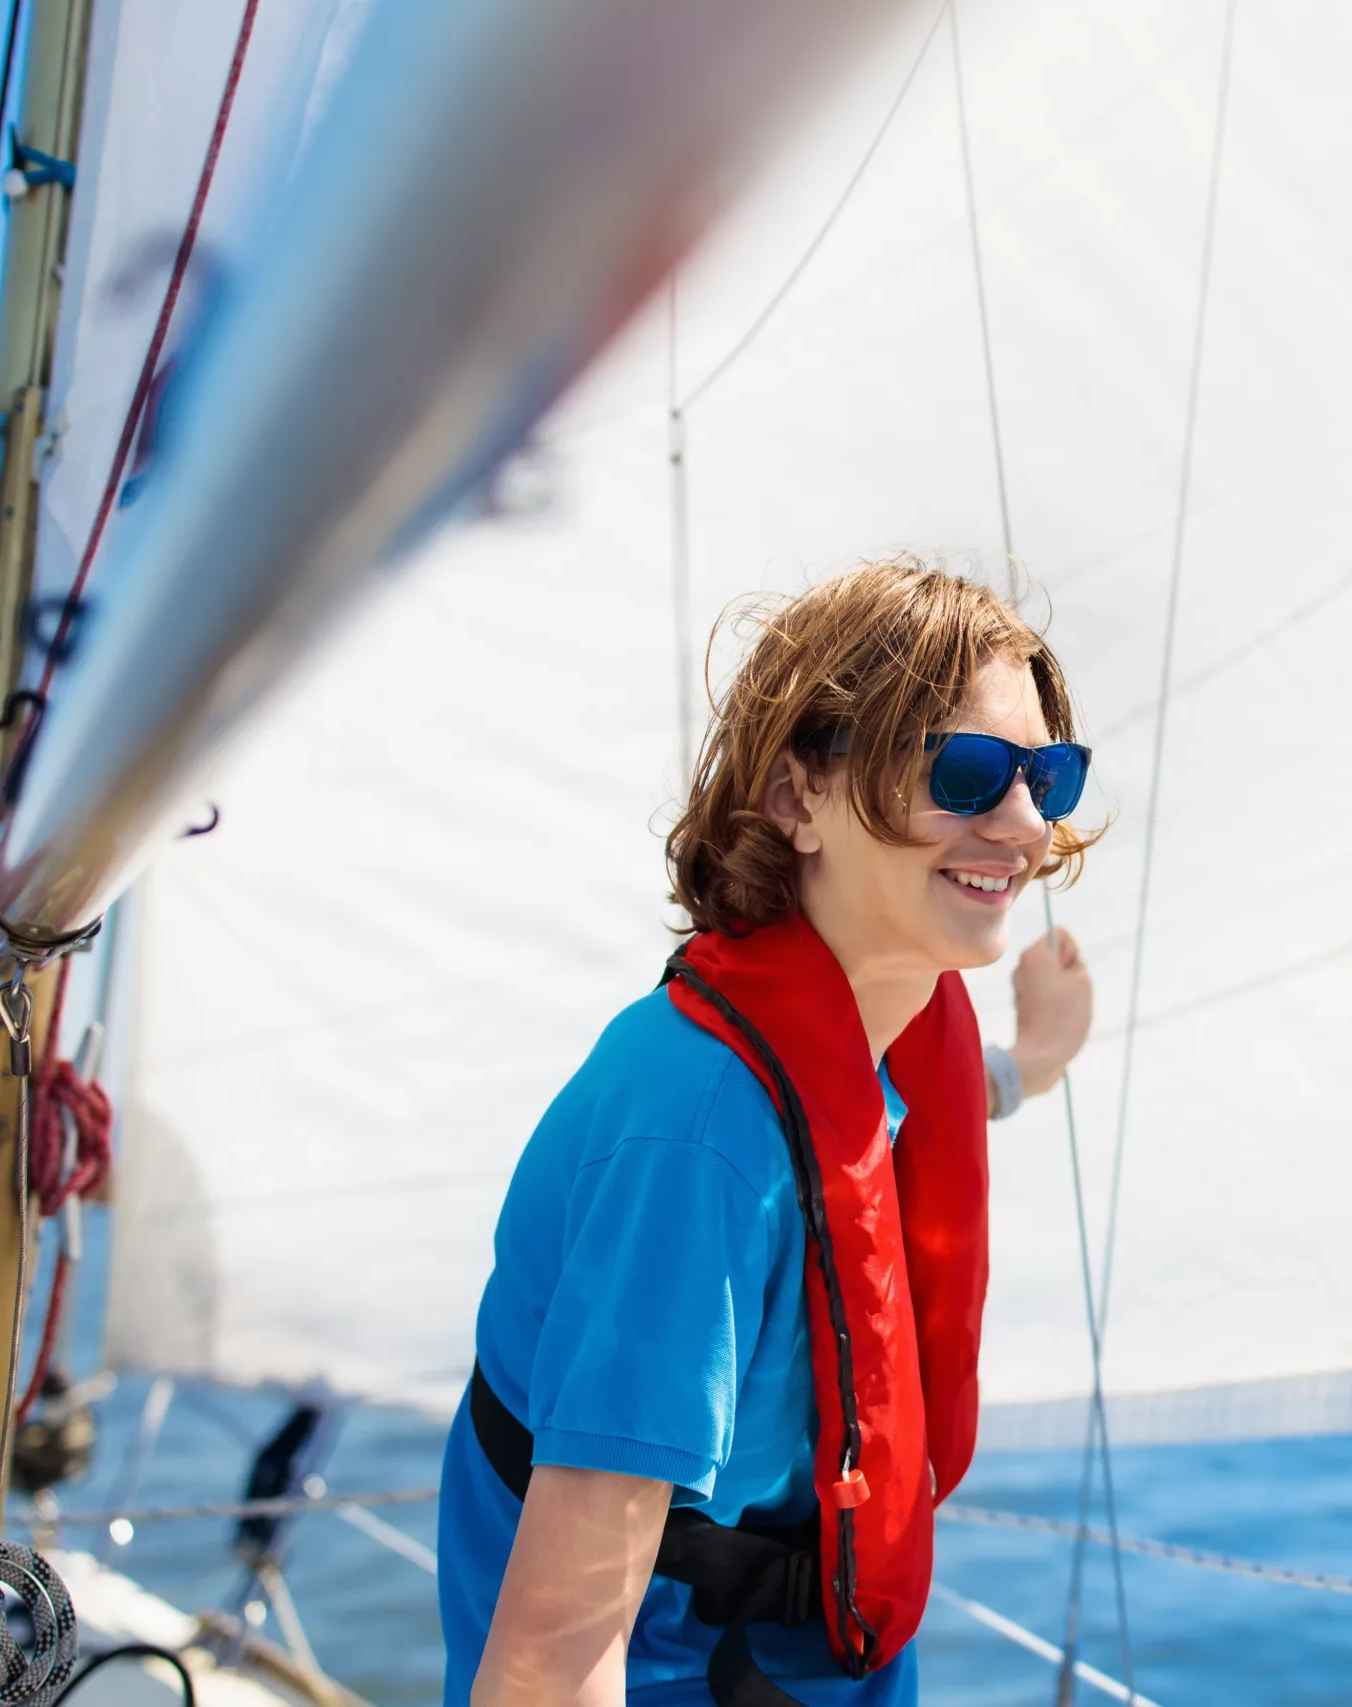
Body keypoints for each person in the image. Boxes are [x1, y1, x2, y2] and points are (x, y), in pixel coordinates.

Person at [439, 560, 1098, 1707]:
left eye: (1047, 775)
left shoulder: (891, 1021)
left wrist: (1032, 1065)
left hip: (813, 1649)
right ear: (796, 800)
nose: (1022, 823)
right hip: (679, 1672)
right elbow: (551, 1662)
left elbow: (888, 1118)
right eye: (964, 772)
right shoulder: (695, 1139)